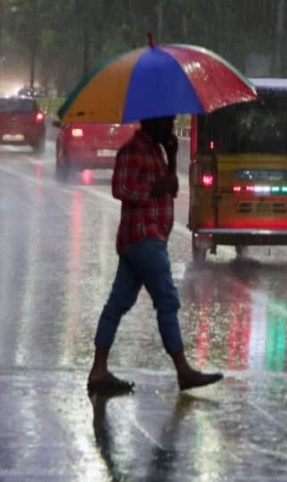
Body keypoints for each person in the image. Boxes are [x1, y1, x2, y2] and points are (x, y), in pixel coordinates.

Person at [88, 115, 223, 394]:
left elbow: (170, 188)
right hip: (142, 237)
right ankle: (183, 369)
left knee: (118, 303)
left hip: (150, 238)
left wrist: (172, 157)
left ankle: (98, 370)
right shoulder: (133, 151)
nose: (171, 128)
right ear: (153, 122)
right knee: (167, 300)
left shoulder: (156, 152)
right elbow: (120, 188)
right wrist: (153, 189)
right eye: (168, 123)